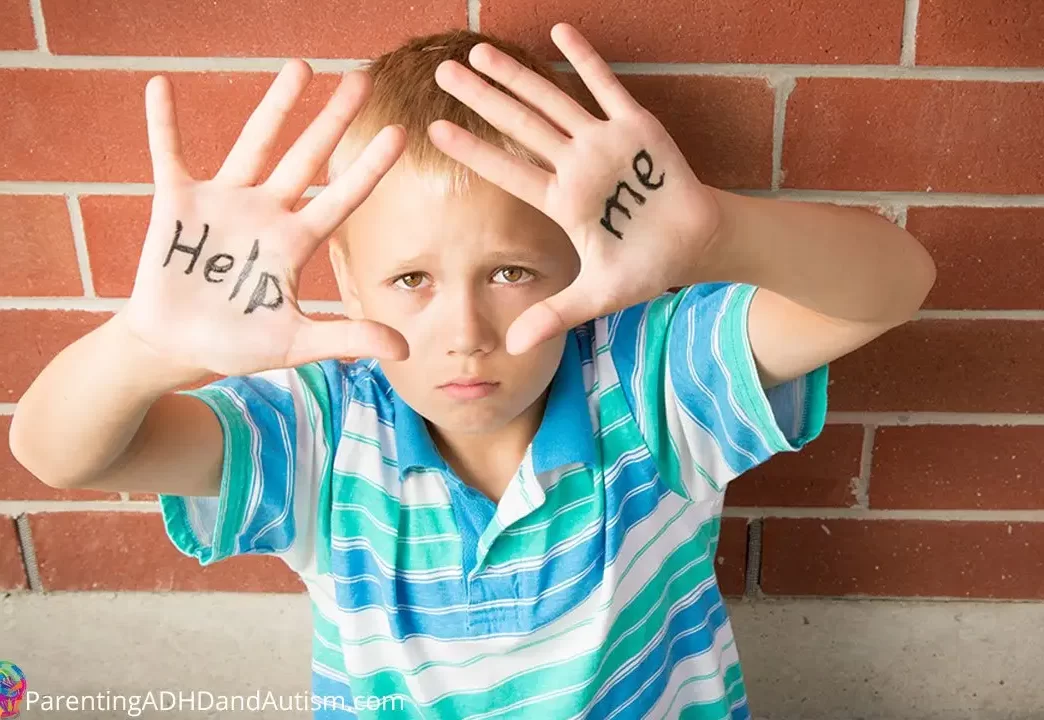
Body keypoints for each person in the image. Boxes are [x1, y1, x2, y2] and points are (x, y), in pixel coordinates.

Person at [9, 22, 936, 720]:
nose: (463, 332)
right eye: (410, 279)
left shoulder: (651, 383)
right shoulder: (316, 430)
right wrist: (146, 345)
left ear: (580, 259)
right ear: (341, 281)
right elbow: (63, 454)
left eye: (509, 272)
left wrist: (720, 235)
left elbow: (892, 287)